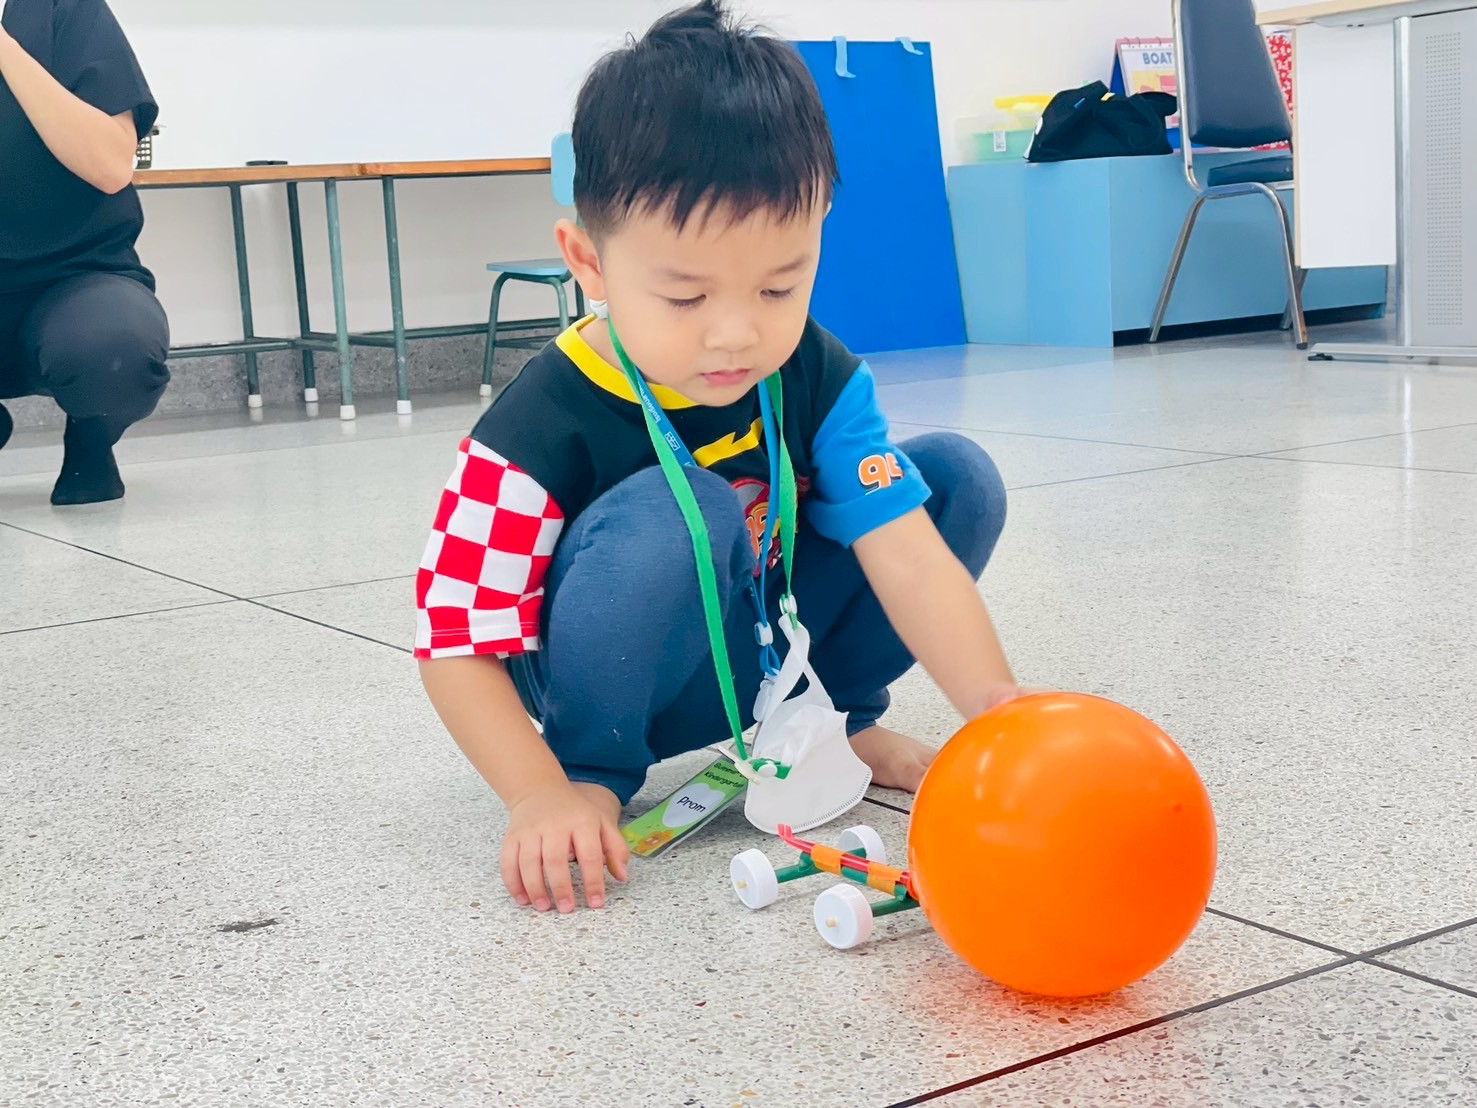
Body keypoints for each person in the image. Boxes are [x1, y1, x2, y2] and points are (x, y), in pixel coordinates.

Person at [415, 0, 1024, 916]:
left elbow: (904, 555)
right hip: (624, 677)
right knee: (685, 506)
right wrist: (536, 792)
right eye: (684, 296)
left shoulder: (813, 371)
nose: (736, 334)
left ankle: (833, 723)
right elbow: (455, 640)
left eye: (780, 285)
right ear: (588, 260)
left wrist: (997, 707)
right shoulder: (539, 423)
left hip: (763, 646)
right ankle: (594, 771)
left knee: (954, 479)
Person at [0, 0, 168, 505]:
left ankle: (91, 436)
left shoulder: (62, 9)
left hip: (73, 279)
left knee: (114, 350)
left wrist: (3, 46)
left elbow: (111, 165)